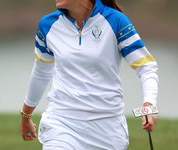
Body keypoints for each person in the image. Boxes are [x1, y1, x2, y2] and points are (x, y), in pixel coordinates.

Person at [20, 0, 159, 149]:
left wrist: (149, 105)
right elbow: (41, 72)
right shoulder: (48, 24)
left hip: (107, 130)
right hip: (61, 123)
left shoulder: (116, 20)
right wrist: (26, 115)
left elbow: (146, 66)